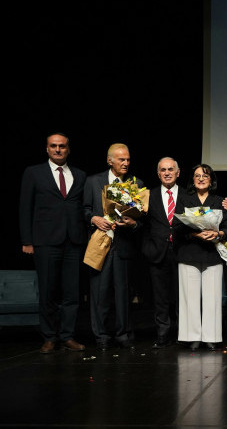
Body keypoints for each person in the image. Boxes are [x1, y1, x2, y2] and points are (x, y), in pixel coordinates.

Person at [19, 133, 87, 354]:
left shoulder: (79, 174)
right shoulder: (33, 173)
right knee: (48, 292)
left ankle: (67, 336)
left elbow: (80, 208)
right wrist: (27, 240)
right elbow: (25, 207)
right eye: (53, 146)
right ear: (47, 149)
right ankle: (49, 337)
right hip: (45, 242)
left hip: (73, 242)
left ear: (68, 149)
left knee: (72, 293)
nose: (58, 149)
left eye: (62, 146)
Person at [83, 143, 143, 351]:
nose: (126, 163)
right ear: (110, 161)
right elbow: (84, 210)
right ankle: (101, 336)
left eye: (128, 159)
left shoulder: (137, 184)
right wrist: (95, 219)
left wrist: (133, 223)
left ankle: (123, 334)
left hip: (124, 247)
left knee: (124, 294)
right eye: (121, 159)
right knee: (99, 293)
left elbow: (143, 220)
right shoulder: (93, 182)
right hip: (100, 245)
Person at [174, 164, 227, 351]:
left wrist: (218, 234)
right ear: (192, 179)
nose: (200, 178)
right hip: (189, 251)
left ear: (211, 180)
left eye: (205, 176)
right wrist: (194, 234)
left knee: (213, 298)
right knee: (189, 298)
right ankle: (192, 337)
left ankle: (211, 337)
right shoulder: (184, 199)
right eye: (197, 175)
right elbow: (176, 227)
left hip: (212, 254)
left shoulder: (219, 200)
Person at [141, 157, 182, 349]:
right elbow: (142, 224)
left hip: (183, 252)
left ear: (177, 172)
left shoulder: (187, 195)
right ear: (158, 174)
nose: (167, 173)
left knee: (183, 296)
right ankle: (163, 335)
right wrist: (147, 248)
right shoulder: (148, 195)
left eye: (170, 169)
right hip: (157, 253)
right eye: (163, 170)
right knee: (160, 297)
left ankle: (184, 333)